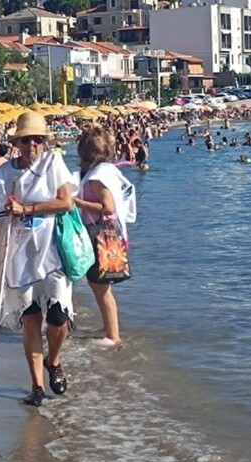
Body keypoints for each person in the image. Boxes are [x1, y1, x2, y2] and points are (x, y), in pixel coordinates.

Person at [1, 111, 74, 407]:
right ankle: (37, 387)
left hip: (51, 251)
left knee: (59, 317)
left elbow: (65, 202)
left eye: (37, 139)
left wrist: (27, 209)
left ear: (44, 142)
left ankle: (53, 361)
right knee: (31, 320)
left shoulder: (53, 163)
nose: (32, 144)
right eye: (26, 139)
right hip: (19, 254)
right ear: (17, 142)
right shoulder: (5, 171)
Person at [74, 127, 136, 347]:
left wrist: (77, 202)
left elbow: (107, 207)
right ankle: (108, 328)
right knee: (98, 284)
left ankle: (113, 335)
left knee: (101, 286)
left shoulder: (97, 177)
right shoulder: (106, 170)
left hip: (101, 234)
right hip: (110, 233)